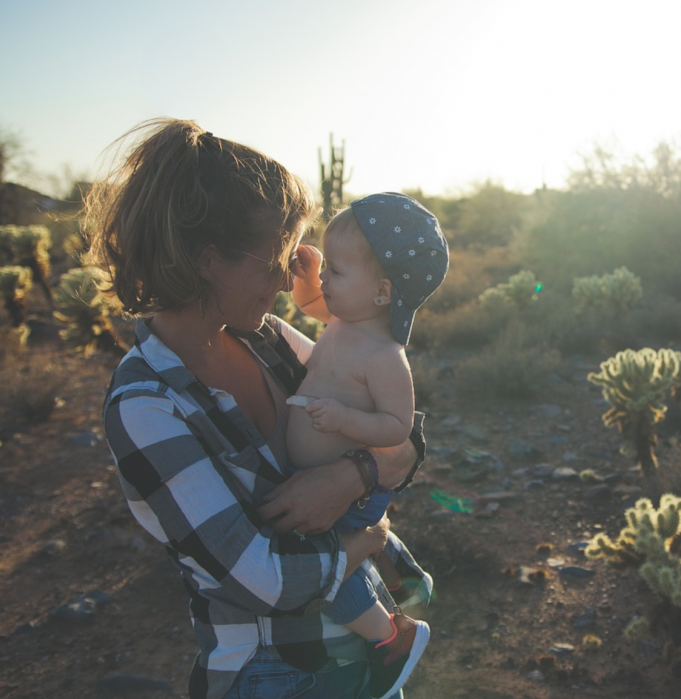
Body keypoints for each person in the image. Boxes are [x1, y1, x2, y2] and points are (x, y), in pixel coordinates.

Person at [86, 118, 430, 699]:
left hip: (363, 656)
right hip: (275, 672)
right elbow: (264, 581)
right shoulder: (146, 404)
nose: (286, 278)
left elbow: (405, 439)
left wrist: (353, 475)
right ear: (208, 259)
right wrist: (364, 539)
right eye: (276, 257)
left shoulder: (267, 338)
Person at [285, 193, 448, 699]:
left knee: (329, 568)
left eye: (337, 270)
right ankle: (399, 568)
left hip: (350, 495)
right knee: (329, 556)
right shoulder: (343, 319)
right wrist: (310, 275)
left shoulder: (383, 356)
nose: (326, 282)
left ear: (381, 292)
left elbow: (397, 427)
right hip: (331, 486)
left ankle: (390, 638)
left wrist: (346, 419)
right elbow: (312, 304)